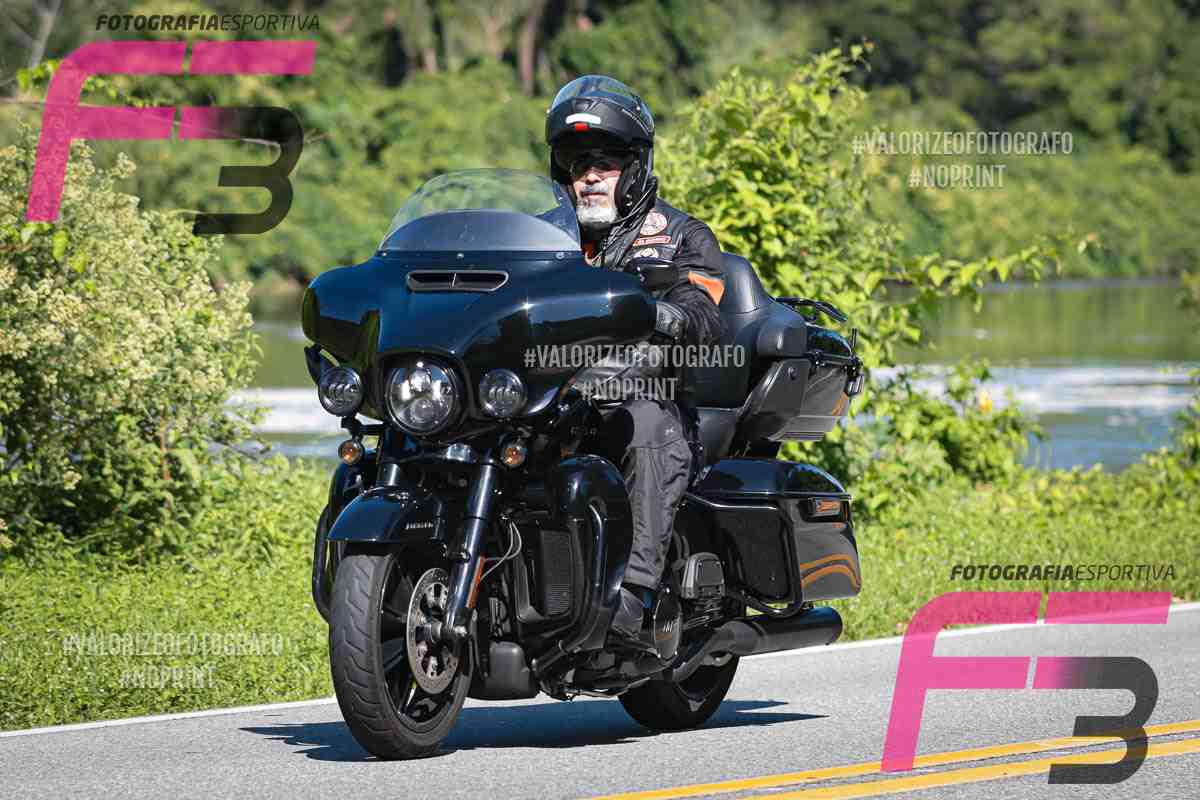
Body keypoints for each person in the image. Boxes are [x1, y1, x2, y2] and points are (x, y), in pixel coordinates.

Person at [544, 75, 727, 648]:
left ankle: (636, 595)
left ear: (636, 165)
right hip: (553, 398)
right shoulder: (542, 240)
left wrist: (670, 314)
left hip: (647, 396)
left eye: (605, 161)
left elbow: (705, 313)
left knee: (646, 424)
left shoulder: (679, 236)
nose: (590, 175)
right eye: (577, 163)